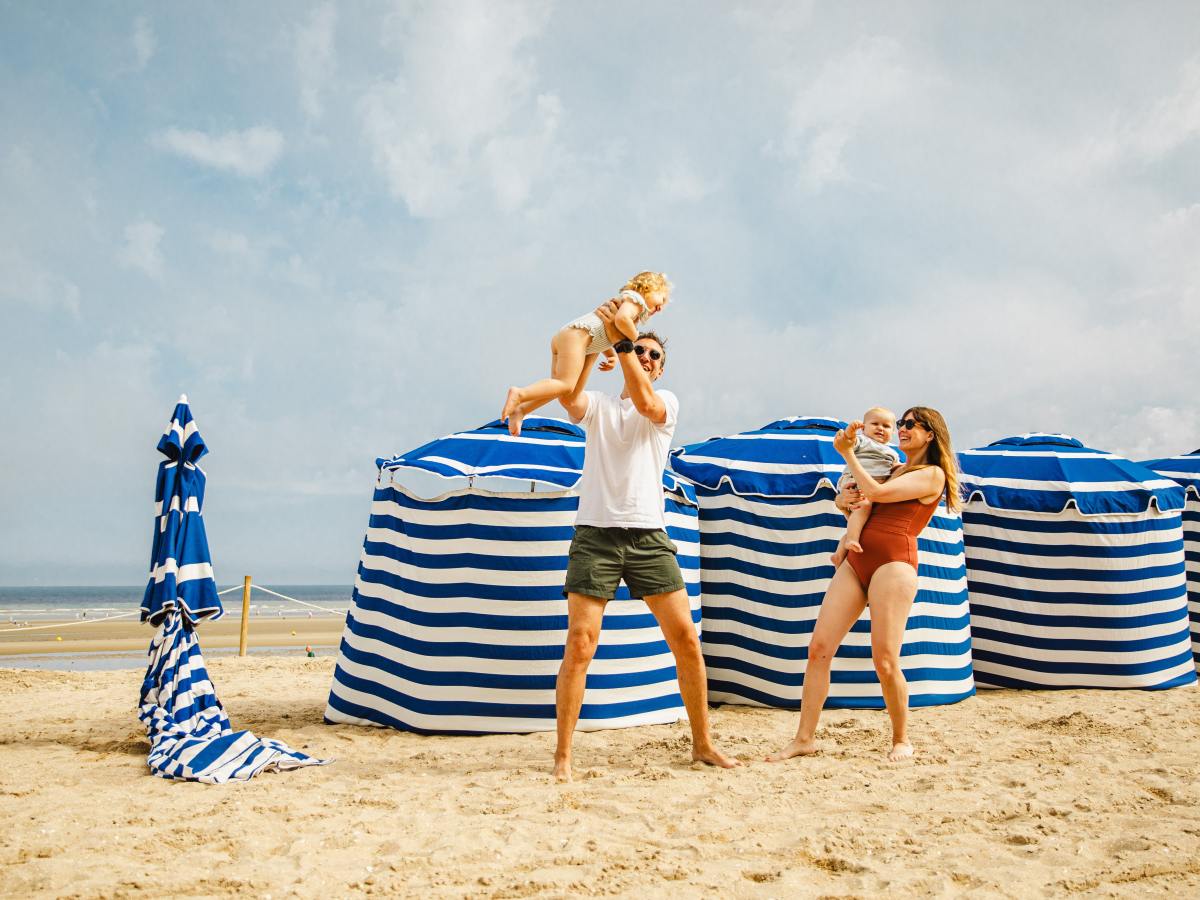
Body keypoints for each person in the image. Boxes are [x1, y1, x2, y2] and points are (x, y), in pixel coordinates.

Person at [553, 300, 738, 782]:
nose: (647, 358)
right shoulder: (602, 407)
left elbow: (648, 402)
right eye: (642, 351)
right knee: (580, 644)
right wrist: (595, 345)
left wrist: (623, 341)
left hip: (649, 537)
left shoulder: (666, 404)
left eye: (652, 354)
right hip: (595, 535)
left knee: (687, 643)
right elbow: (570, 399)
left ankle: (702, 744)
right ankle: (563, 756)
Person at [767, 406, 960, 764]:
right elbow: (863, 498)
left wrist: (847, 454)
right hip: (858, 560)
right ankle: (804, 738)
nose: (901, 429)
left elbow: (878, 493)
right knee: (818, 648)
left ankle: (902, 739)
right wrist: (842, 500)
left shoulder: (932, 475)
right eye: (899, 423)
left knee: (885, 659)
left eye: (909, 424)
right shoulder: (893, 468)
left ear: (930, 433)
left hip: (894, 563)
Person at [500, 272, 672, 437]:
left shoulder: (666, 401)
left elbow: (606, 333)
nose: (661, 308)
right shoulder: (636, 300)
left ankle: (522, 409)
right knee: (565, 384)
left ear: (660, 371)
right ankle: (520, 393)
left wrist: (610, 354)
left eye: (655, 355)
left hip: (578, 340)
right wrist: (632, 336)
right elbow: (620, 321)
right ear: (649, 288)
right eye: (662, 299)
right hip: (577, 338)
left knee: (558, 388)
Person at [829, 407, 900, 567]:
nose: (880, 428)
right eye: (875, 424)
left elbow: (895, 467)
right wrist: (850, 432)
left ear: (893, 432)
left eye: (886, 426)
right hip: (855, 480)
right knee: (864, 508)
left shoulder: (892, 452)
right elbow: (848, 443)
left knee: (861, 523)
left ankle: (839, 554)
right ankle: (852, 540)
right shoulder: (864, 441)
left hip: (872, 485)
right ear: (864, 427)